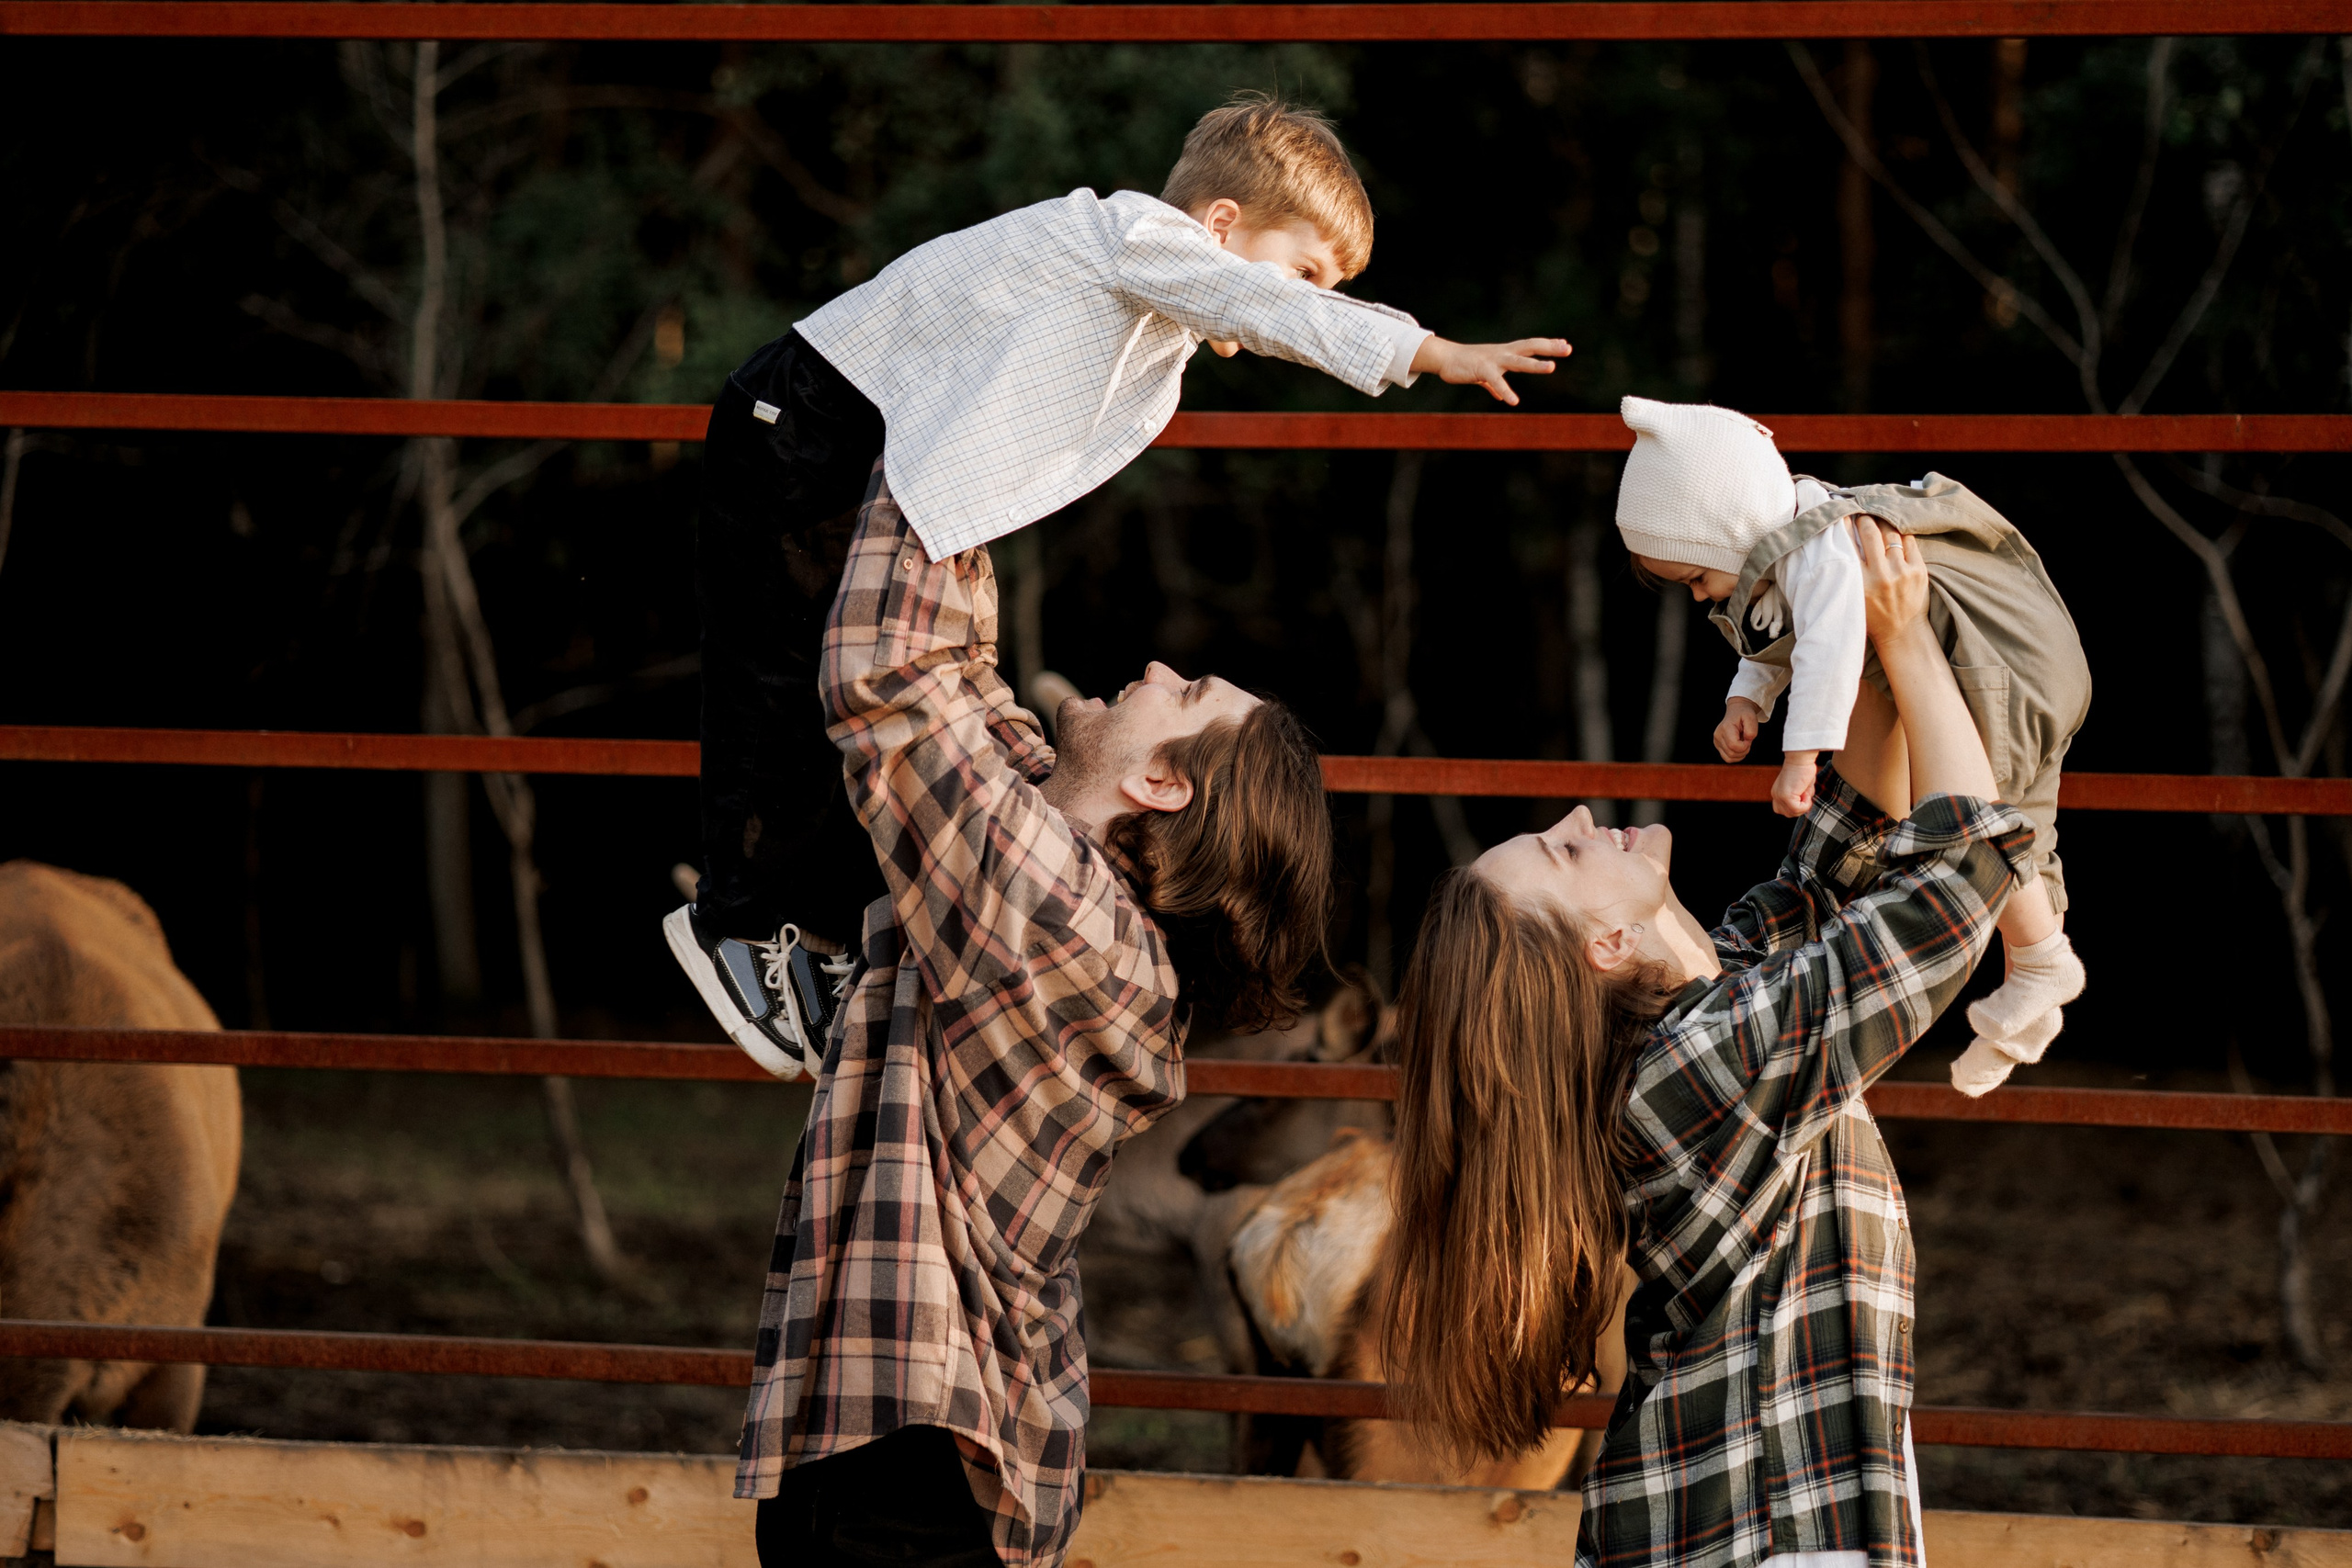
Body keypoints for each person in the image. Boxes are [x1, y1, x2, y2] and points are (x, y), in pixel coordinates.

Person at [667, 93, 1568, 1077]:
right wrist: (1423, 350)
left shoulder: (1149, 302)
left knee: (814, 691)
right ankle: (739, 927)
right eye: (1305, 271)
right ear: (1219, 228)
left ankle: (804, 931)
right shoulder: (1136, 235)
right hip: (803, 426)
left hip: (851, 444)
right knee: (777, 684)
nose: (1310, 300)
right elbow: (1262, 306)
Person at [1375, 521, 2036, 1568]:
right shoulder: (1694, 1069)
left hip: (1747, 1505)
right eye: (1563, 848)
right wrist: (1908, 643)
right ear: (1603, 943)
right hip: (1767, 1521)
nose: (1586, 814)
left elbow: (1848, 856)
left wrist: (1844, 634)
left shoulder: (1714, 1003)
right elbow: (1954, 885)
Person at [734, 468, 1332, 1568]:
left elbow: (892, 681)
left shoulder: (1065, 927)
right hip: (909, 1429)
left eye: (1186, 688)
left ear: (1161, 785)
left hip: (921, 1461)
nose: (1155, 667)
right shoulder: (1057, 865)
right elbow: (959, 682)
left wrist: (950, 446)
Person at [1612, 395, 2089, 1096]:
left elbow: (1830, 650)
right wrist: (1746, 698)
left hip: (2006, 662)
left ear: (1729, 531)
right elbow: (1778, 627)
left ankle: (2041, 959)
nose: (1697, 597)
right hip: (2012, 660)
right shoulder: (1791, 544)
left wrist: (1801, 757)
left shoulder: (1821, 549)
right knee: (2020, 810)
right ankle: (2037, 973)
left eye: (1695, 578)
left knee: (1994, 811)